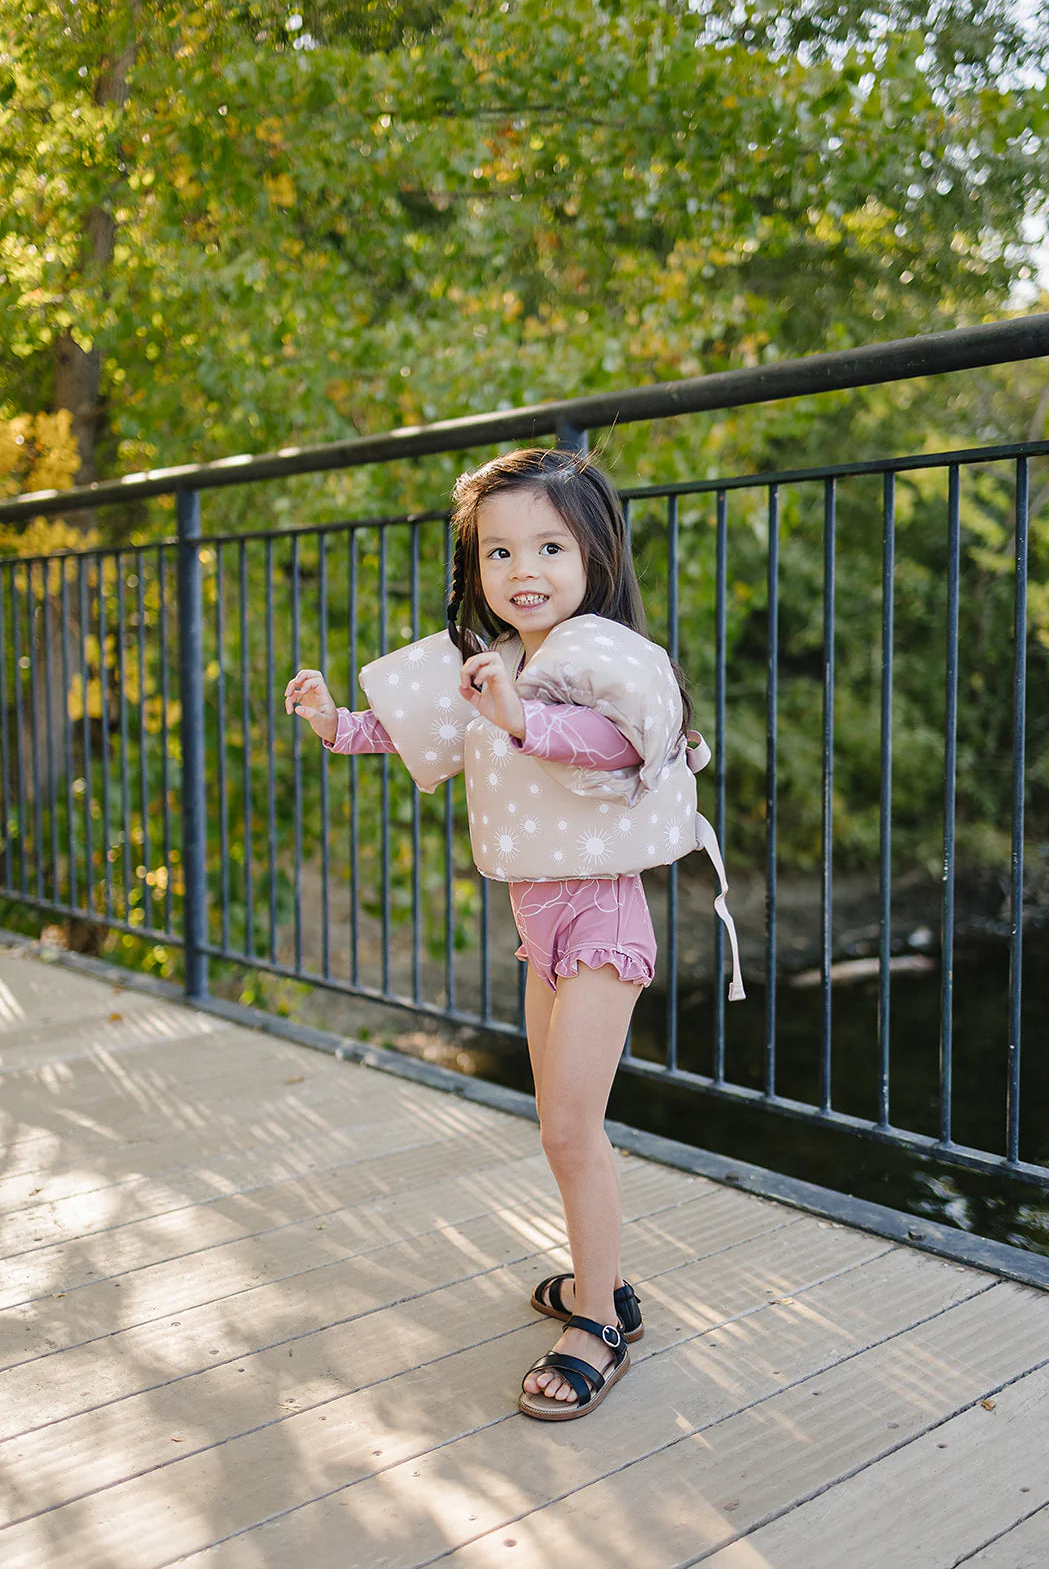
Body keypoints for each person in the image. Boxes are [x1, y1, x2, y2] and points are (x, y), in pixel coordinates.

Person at [284, 446, 742, 1422]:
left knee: (574, 1129)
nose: (521, 570)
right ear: (475, 566)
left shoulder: (597, 659)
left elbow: (615, 745)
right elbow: (423, 733)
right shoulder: (496, 662)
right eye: (498, 552)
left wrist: (522, 718)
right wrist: (333, 722)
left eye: (548, 547)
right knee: (553, 1125)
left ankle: (600, 1322)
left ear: (594, 557)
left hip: (601, 919)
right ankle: (596, 1280)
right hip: (541, 928)